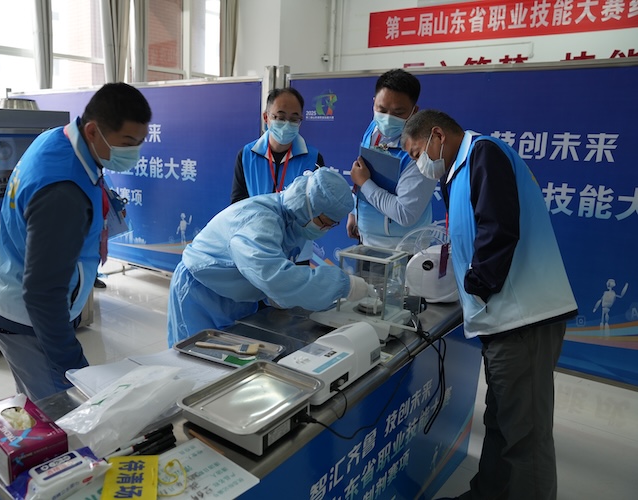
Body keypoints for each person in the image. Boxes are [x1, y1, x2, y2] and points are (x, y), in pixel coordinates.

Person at [402, 109, 578, 500]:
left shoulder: (483, 154)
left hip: (523, 319)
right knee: (500, 421)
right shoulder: (457, 173)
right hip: (501, 319)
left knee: (525, 436)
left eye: (417, 154)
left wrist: (477, 286)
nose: (418, 164)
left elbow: (499, 230)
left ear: (436, 136)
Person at [0, 83, 152, 402]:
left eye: (140, 143)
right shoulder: (63, 191)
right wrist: (72, 366)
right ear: (92, 131)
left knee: (38, 405)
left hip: (17, 297)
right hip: (30, 322)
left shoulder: (58, 139)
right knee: (62, 413)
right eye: (128, 143)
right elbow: (42, 293)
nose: (134, 153)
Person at [168, 168, 374, 347]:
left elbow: (274, 268)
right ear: (307, 205)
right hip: (201, 292)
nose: (326, 228)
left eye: (332, 224)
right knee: (196, 362)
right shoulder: (259, 220)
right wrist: (343, 285)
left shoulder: (294, 220)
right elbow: (274, 277)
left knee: (228, 358)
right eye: (324, 221)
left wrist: (278, 294)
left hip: (235, 295)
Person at [347, 69, 437, 248]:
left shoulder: (422, 152)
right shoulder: (374, 128)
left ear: (414, 111)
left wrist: (365, 183)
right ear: (374, 103)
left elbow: (405, 214)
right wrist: (354, 213)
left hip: (403, 249)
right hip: (366, 240)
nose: (387, 119)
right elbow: (362, 169)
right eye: (381, 110)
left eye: (398, 112)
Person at [230, 87, 324, 204]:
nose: (287, 124)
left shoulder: (313, 159)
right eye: (280, 118)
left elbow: (318, 205)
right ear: (266, 117)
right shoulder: (247, 155)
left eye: (294, 119)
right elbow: (238, 204)